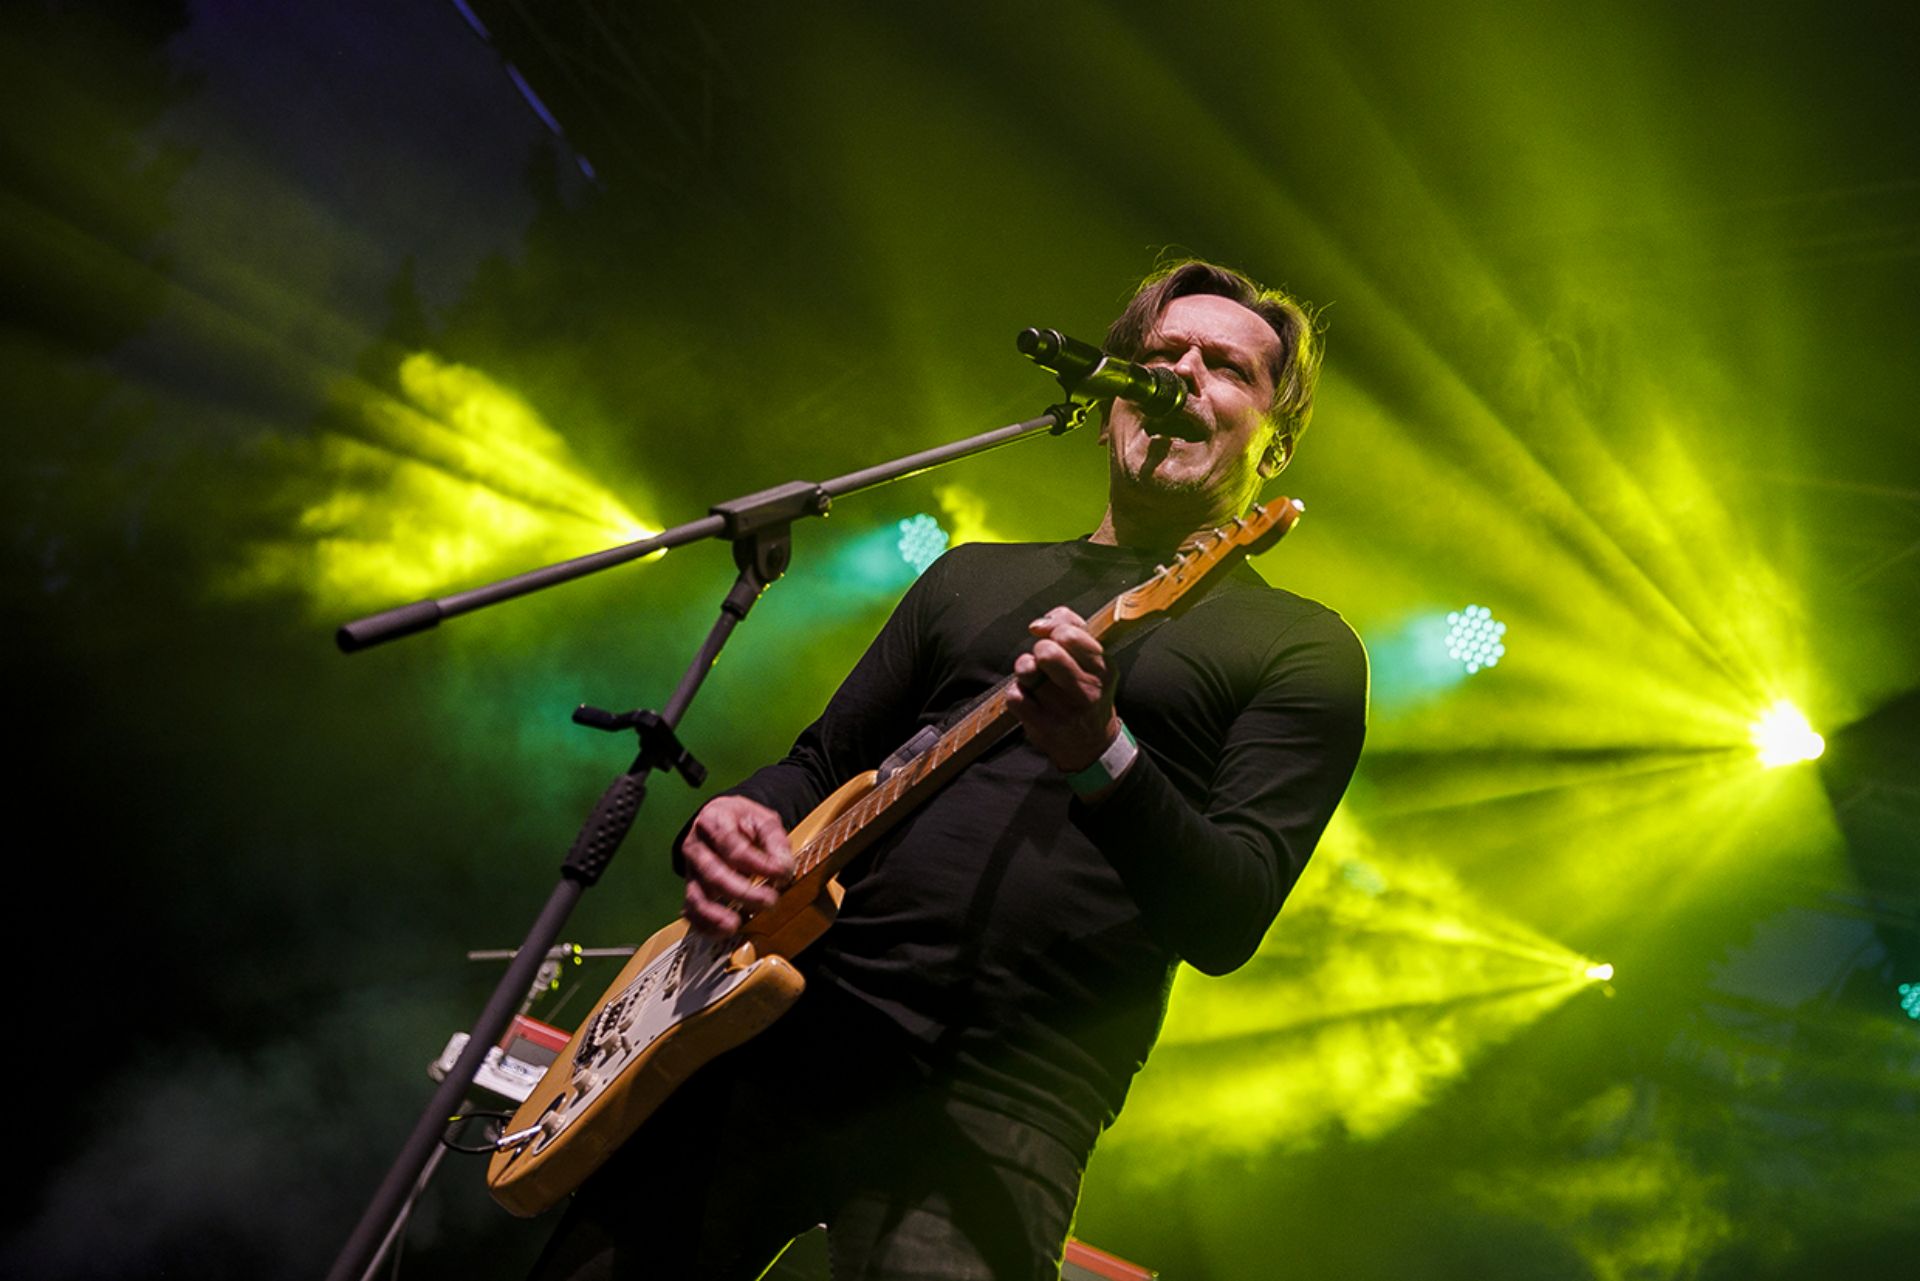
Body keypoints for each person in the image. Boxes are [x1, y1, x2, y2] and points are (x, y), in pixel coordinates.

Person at [528, 260, 1368, 1280]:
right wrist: (738, 815)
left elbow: (1228, 914)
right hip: (781, 1018)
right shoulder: (973, 577)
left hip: (1006, 1097)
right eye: (1160, 356)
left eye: (1227, 367)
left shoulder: (1302, 648)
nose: (1181, 376)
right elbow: (822, 764)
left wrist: (1100, 750)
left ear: (1276, 442)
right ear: (1109, 400)